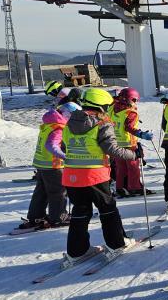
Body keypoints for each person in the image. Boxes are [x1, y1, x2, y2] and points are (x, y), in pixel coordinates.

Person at [62, 88, 138, 258]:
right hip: (94, 175)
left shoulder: (70, 122)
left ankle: (77, 252)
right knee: (107, 209)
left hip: (71, 176)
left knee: (80, 211)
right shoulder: (101, 123)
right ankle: (116, 244)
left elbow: (64, 147)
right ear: (101, 105)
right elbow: (112, 149)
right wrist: (133, 154)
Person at [22, 101, 81, 230]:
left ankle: (36, 216)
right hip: (53, 166)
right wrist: (66, 156)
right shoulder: (59, 128)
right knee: (58, 192)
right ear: (67, 114)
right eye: (73, 117)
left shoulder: (49, 124)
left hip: (42, 164)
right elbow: (51, 145)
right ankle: (58, 217)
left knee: (41, 192)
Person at [111, 88, 154, 197]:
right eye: (134, 100)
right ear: (131, 99)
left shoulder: (112, 109)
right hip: (129, 144)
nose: (135, 103)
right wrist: (141, 134)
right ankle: (135, 187)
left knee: (120, 168)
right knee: (133, 167)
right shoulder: (131, 113)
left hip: (116, 143)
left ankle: (120, 188)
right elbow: (128, 127)